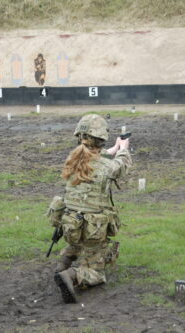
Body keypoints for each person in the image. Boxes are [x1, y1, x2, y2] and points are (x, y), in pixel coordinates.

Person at [49, 114, 132, 303]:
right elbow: (120, 166)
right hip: (93, 229)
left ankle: (62, 264)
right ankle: (71, 276)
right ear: (101, 138)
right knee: (96, 273)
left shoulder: (73, 158)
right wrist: (124, 150)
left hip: (71, 224)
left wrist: (115, 148)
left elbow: (95, 158)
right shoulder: (105, 166)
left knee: (77, 244)